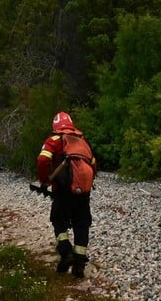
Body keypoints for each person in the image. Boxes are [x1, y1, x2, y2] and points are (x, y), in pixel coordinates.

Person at [36, 111, 97, 278]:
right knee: (81, 223)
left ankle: (65, 251)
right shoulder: (82, 140)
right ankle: (79, 265)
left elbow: (42, 160)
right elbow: (93, 164)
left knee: (58, 220)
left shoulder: (54, 140)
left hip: (62, 191)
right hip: (83, 191)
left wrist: (44, 180)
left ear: (55, 126)